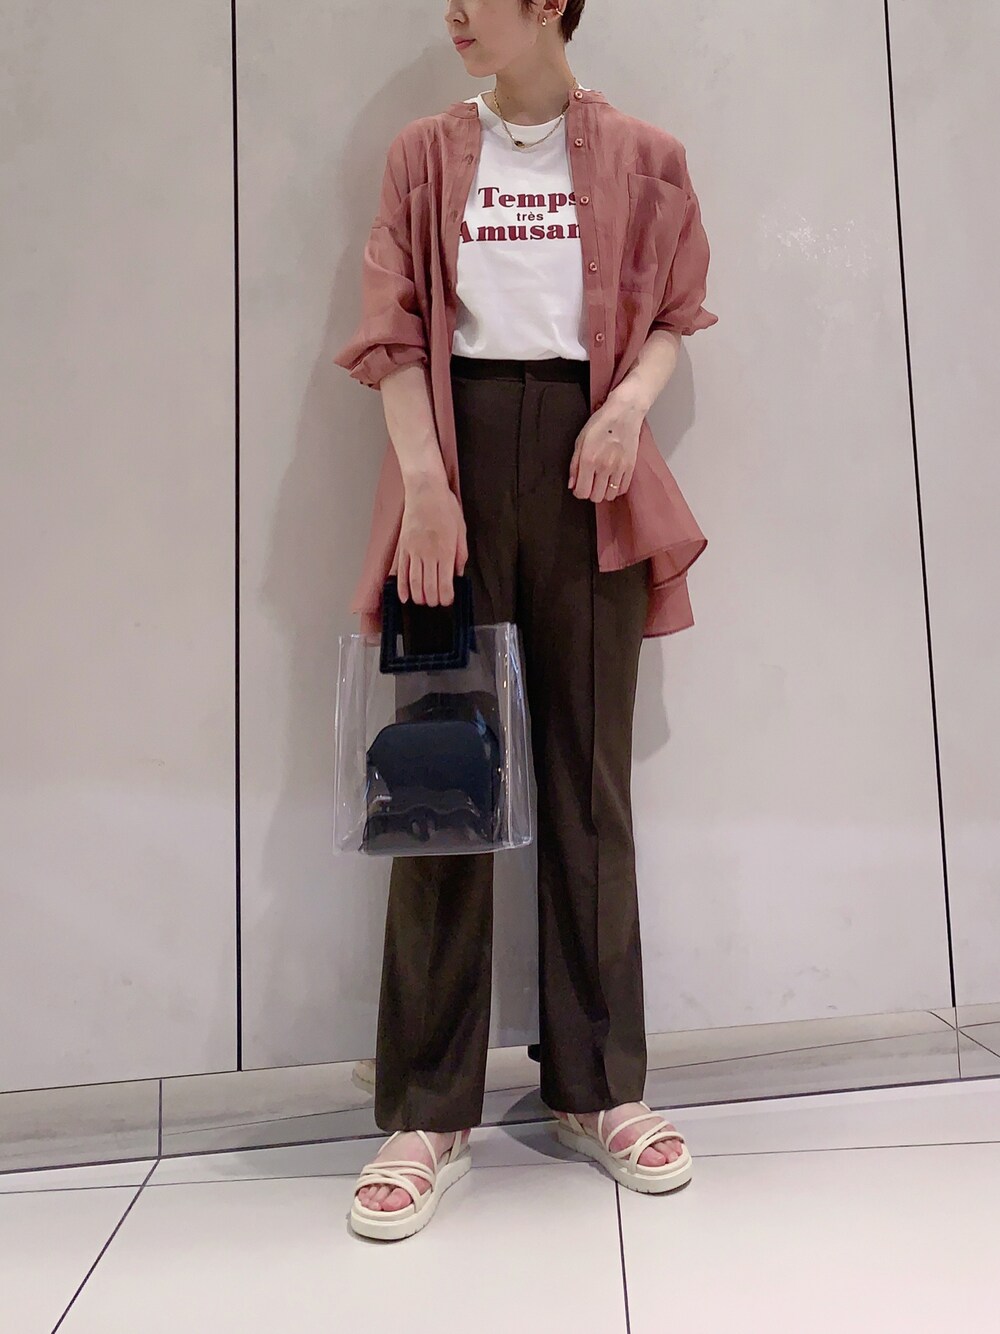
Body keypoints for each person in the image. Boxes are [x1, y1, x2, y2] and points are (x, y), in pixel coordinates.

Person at [334, 0, 718, 1241]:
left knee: (585, 779)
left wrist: (624, 411)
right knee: (440, 776)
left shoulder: (647, 155)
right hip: (449, 466)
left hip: (588, 467)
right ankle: (428, 1111)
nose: (454, 11)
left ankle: (597, 1086)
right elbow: (392, 331)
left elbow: (673, 314)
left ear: (548, 2)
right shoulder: (423, 153)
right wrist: (424, 486)